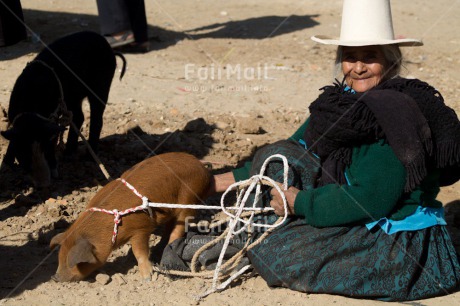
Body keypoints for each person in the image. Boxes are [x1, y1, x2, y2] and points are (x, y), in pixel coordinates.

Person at [161, 0, 460, 301]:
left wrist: (299, 203)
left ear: (392, 62)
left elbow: (372, 199)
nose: (357, 68)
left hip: (397, 243)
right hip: (356, 214)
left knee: (282, 252)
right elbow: (294, 149)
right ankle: (243, 241)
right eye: (350, 57)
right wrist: (209, 183)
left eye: (370, 57)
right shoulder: (341, 105)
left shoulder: (395, 114)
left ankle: (237, 247)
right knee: (277, 154)